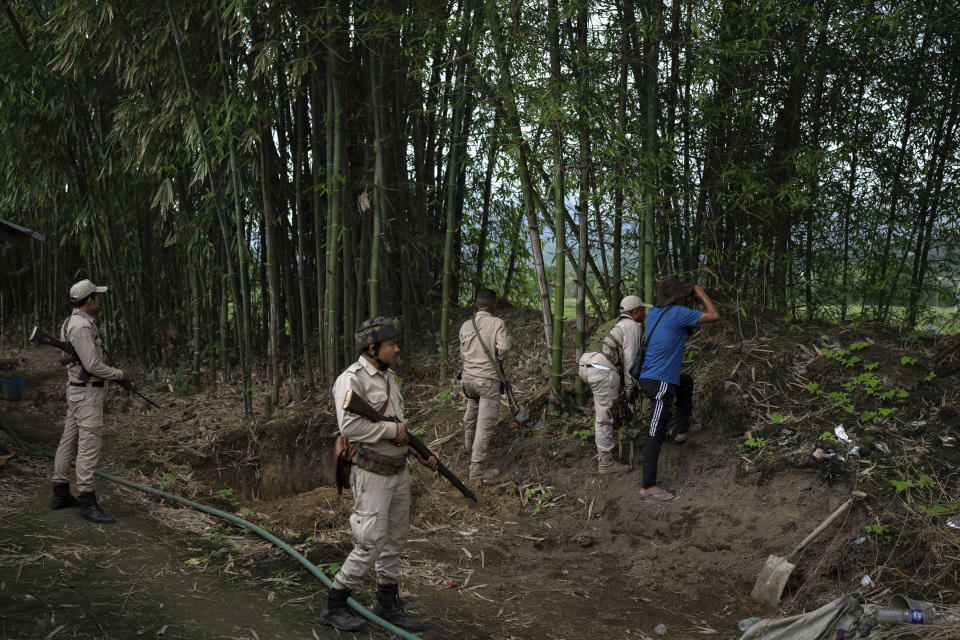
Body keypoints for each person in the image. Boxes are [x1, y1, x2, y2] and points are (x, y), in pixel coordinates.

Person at [319, 317, 439, 633]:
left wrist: (420, 451)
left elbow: (400, 428)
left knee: (395, 541)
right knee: (370, 542)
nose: (397, 349)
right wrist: (391, 430)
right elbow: (350, 427)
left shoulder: (390, 378)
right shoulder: (351, 380)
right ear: (373, 348)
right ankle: (335, 605)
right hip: (371, 473)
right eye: (391, 345)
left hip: (397, 472)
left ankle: (387, 603)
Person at [50, 279, 130, 523]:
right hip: (86, 393)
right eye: (96, 296)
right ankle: (87, 501)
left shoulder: (70, 321)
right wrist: (119, 374)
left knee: (69, 441)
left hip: (76, 390)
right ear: (89, 300)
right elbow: (92, 365)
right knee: (87, 447)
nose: (99, 299)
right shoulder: (82, 326)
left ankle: (60, 492)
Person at [636, 278, 719, 501]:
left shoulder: (655, 312)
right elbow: (714, 315)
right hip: (660, 381)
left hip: (650, 376)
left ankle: (682, 429)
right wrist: (700, 293)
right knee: (656, 431)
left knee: (686, 382)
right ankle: (648, 485)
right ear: (678, 298)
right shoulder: (678, 313)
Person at [578, 295, 651, 474]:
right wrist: (629, 388)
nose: (644, 313)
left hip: (585, 365)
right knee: (604, 417)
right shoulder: (632, 326)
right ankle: (606, 463)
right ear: (635, 312)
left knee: (605, 411)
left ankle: (607, 450)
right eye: (642, 310)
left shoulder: (612, 324)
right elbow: (630, 361)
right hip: (602, 370)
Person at [458, 288, 511, 482]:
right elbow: (503, 347)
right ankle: (477, 470)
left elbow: (463, 352)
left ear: (476, 304)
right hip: (487, 380)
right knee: (485, 424)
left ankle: (468, 446)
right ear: (494, 305)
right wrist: (499, 357)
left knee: (472, 408)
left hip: (468, 380)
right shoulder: (497, 323)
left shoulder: (465, 325)